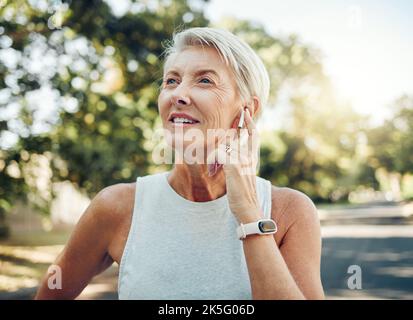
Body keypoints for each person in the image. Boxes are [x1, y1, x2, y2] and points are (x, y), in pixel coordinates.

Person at [35, 27, 324, 300]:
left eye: (205, 80)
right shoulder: (115, 207)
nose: (178, 95)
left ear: (248, 109)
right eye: (171, 81)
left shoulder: (291, 213)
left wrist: (249, 214)